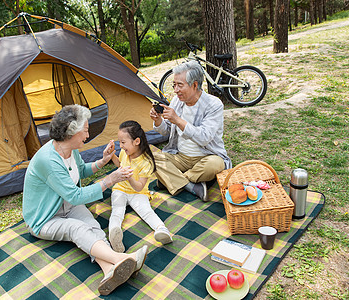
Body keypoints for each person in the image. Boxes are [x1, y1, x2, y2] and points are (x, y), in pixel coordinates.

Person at [22, 105, 148, 296]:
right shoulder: (48, 160)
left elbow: (81, 171)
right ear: (71, 132)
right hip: (45, 219)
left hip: (67, 206)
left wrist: (104, 160)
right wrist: (109, 180)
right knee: (77, 229)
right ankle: (121, 258)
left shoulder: (70, 149)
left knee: (92, 225)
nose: (87, 135)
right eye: (86, 130)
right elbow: (74, 195)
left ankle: (108, 271)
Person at [149, 60, 232, 202]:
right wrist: (158, 121)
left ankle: (172, 180)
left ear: (195, 85)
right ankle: (192, 186)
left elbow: (205, 137)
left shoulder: (213, 104)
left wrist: (178, 120)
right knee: (148, 155)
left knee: (216, 165)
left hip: (206, 157)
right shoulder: (177, 101)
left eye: (180, 85)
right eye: (174, 85)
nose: (175, 90)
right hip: (179, 156)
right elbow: (167, 131)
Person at [106, 121, 173, 253]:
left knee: (146, 211)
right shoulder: (124, 153)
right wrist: (111, 155)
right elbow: (120, 164)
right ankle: (114, 233)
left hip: (138, 192)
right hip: (120, 188)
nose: (121, 146)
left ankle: (161, 229)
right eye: (120, 142)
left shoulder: (146, 161)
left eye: (123, 142)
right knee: (117, 210)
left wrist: (129, 176)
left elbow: (139, 187)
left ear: (136, 141)